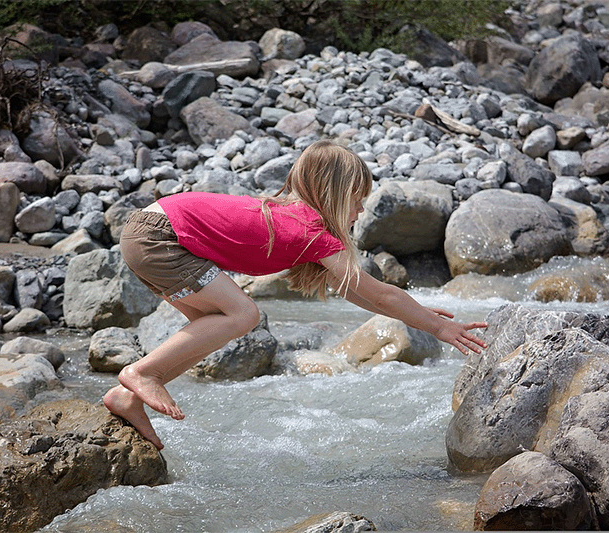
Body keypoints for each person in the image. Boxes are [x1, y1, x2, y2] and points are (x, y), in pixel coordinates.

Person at [102, 139, 488, 449]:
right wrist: (439, 329)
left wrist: (418, 313)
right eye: (356, 200)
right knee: (243, 315)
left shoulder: (297, 222)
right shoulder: (309, 228)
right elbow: (380, 294)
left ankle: (127, 396)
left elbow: (356, 293)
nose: (359, 210)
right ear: (334, 194)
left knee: (212, 324)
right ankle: (141, 373)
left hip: (150, 232)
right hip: (160, 235)